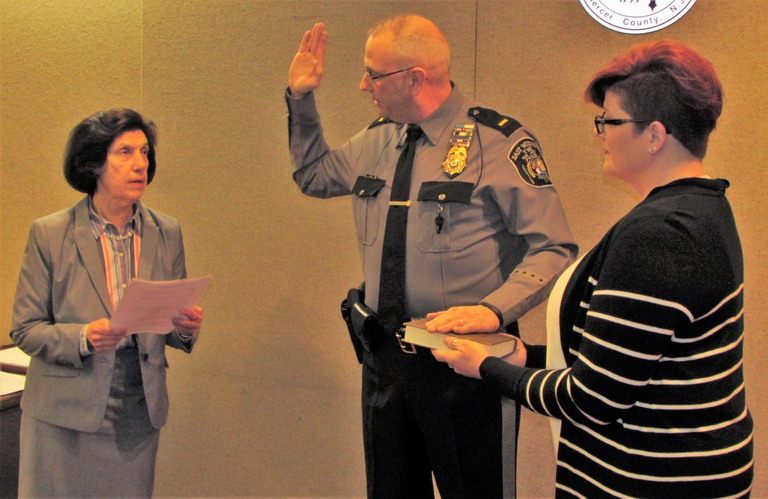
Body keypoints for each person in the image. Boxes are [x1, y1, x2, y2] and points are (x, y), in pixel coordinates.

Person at [434, 40, 754, 498]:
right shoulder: (703, 206)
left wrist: (486, 367)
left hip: (655, 479)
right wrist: (527, 357)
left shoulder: (659, 233)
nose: (599, 132)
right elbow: (630, 361)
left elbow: (591, 399)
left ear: (654, 136)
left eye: (609, 121)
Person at [286, 14, 577, 499]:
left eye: (372, 74)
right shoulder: (378, 139)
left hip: (464, 367)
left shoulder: (498, 143)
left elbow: (554, 246)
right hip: (385, 365)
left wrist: (493, 309)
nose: (363, 85)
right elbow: (312, 175)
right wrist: (301, 99)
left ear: (414, 78)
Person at [10, 108, 203, 498]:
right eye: (126, 152)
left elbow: (166, 321)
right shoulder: (50, 234)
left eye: (145, 153)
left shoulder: (166, 231)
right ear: (95, 163)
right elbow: (25, 330)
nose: (140, 165)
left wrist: (183, 329)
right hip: (63, 413)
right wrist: (83, 337)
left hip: (136, 409)